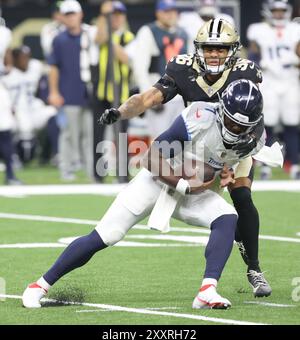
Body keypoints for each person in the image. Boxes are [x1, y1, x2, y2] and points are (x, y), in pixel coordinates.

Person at [22, 79, 265, 309]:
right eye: (232, 122)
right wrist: (184, 184)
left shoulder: (254, 140)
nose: (236, 129)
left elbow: (223, 163)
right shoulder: (199, 116)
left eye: (242, 126)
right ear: (222, 111)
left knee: (226, 217)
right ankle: (39, 285)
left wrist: (224, 174)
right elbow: (150, 157)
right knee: (107, 234)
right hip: (158, 179)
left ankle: (207, 290)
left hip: (193, 189)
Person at [99, 18, 272, 297]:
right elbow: (147, 99)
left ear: (232, 50)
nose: (214, 54)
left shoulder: (245, 72)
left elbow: (257, 114)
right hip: (197, 150)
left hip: (236, 146)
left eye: (221, 49)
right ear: (198, 49)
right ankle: (211, 281)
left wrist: (249, 143)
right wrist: (121, 112)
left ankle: (254, 268)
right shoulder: (183, 69)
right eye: (209, 48)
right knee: (214, 211)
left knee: (241, 197)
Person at [247, 0, 300, 180]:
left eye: (281, 10)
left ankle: (294, 164)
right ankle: (265, 164)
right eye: (275, 10)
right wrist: (261, 64)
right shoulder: (258, 29)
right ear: (268, 11)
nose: (278, 14)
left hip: (290, 79)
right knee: (267, 123)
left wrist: (295, 60)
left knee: (291, 122)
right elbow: (253, 55)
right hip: (268, 80)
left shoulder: (295, 29)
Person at [48, 0, 96, 181]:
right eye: (67, 14)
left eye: (73, 14)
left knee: (90, 135)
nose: (70, 18)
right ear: (62, 17)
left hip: (90, 93)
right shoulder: (59, 39)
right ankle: (66, 170)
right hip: (68, 93)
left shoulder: (91, 35)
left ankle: (92, 172)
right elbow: (53, 67)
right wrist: (54, 92)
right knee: (68, 134)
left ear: (80, 14)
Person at [129, 0, 188, 140]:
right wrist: (148, 97)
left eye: (173, 11)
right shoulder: (148, 31)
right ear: (158, 13)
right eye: (166, 11)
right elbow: (140, 68)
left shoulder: (183, 33)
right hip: (159, 93)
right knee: (159, 141)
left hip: (180, 97)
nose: (170, 15)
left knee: (180, 142)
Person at [93, 0, 134, 183]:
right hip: (103, 91)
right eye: (112, 15)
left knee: (122, 135)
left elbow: (126, 58)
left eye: (118, 15)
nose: (115, 19)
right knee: (98, 133)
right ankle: (97, 174)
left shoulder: (128, 37)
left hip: (121, 92)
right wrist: (103, 16)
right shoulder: (102, 34)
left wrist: (111, 37)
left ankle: (123, 174)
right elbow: (98, 39)